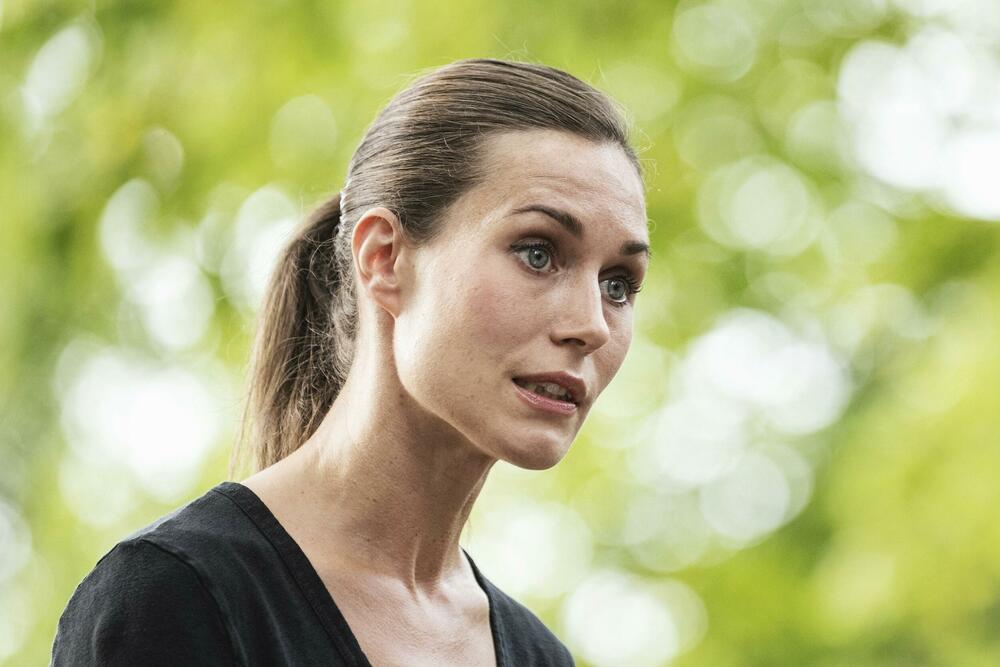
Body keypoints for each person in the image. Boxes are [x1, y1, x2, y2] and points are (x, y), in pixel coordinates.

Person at [51, 57, 650, 666]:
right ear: (384, 258)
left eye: (619, 284)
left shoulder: (542, 657)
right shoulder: (178, 598)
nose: (593, 326)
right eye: (538, 253)